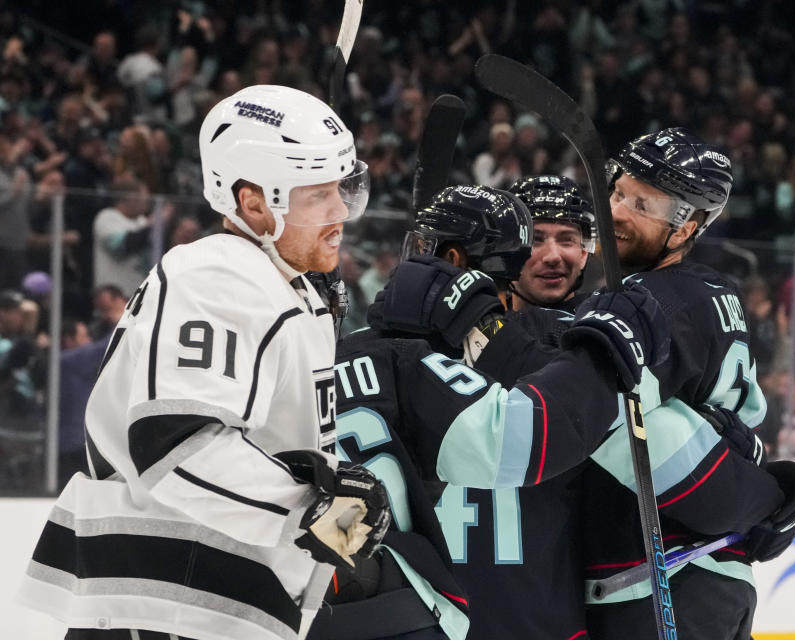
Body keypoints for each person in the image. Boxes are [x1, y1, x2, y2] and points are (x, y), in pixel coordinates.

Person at [18, 85, 391, 640]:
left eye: (342, 188)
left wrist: (330, 482)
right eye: (318, 196)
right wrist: (315, 508)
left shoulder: (279, 283)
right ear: (253, 202)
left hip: (206, 601)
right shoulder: (220, 274)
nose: (341, 212)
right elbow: (176, 444)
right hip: (169, 601)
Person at [319, 183, 670, 640]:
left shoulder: (348, 350)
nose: (552, 255)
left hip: (375, 604)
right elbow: (547, 429)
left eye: (567, 238)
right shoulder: (563, 355)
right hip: (520, 616)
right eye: (538, 239)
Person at [583, 127, 795, 640]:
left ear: (685, 229)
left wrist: (748, 500)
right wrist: (758, 494)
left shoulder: (638, 303)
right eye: (618, 192)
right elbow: (740, 428)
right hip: (722, 577)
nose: (615, 210)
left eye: (642, 205)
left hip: (651, 579)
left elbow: (610, 423)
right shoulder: (717, 293)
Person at [507, 175, 595, 312]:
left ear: (583, 253)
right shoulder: (474, 325)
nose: (553, 257)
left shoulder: (609, 325)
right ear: (505, 252)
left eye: (567, 240)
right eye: (534, 240)